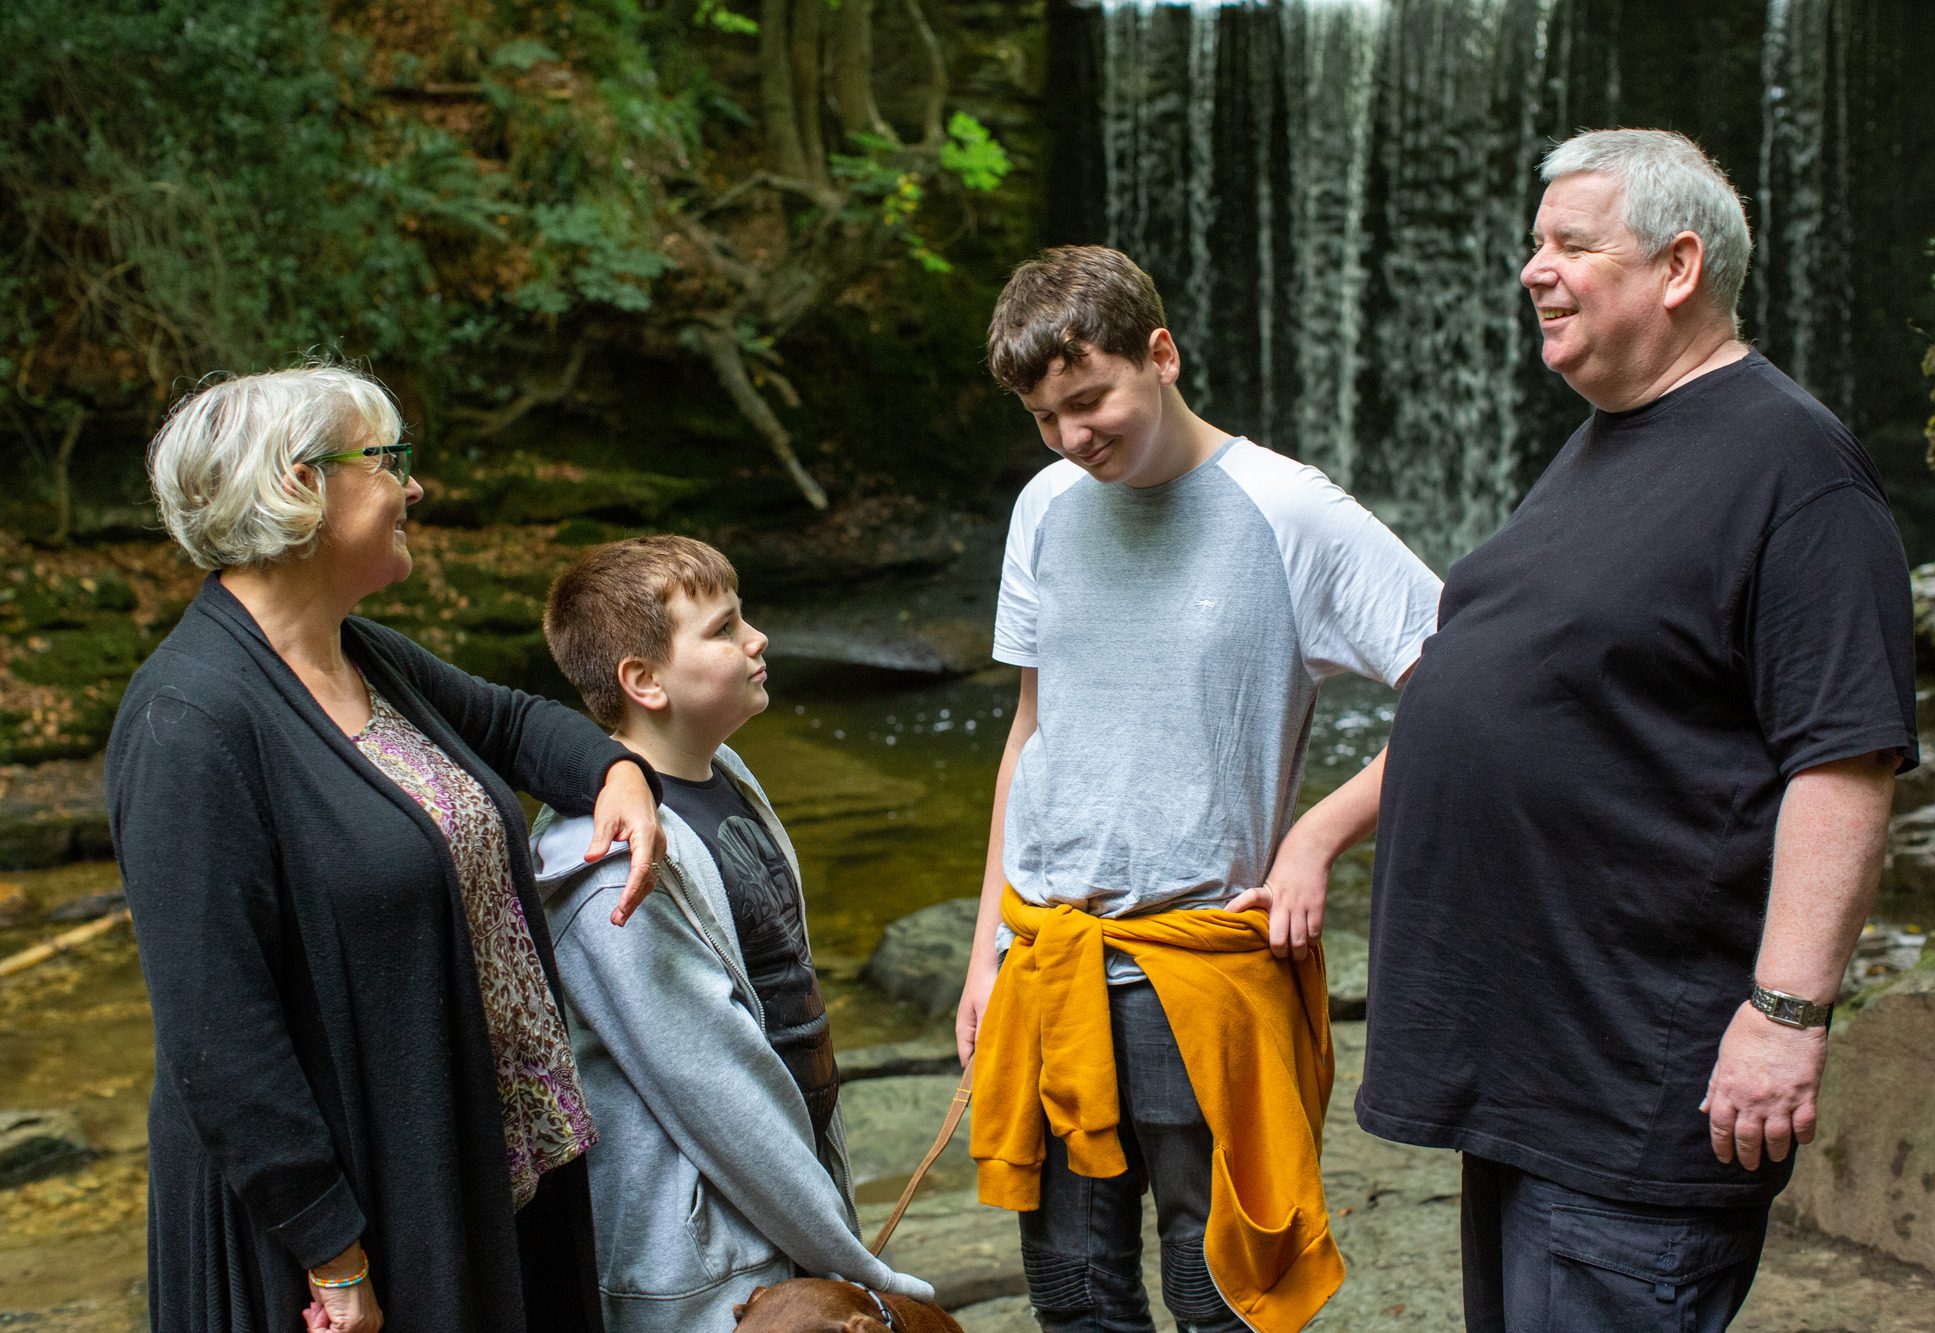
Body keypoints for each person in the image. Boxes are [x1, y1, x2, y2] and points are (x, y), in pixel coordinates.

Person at [1358, 129, 1918, 1332]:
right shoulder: (1604, 441)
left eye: (1569, 243)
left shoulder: (1794, 469)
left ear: (1675, 267)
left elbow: (1844, 762)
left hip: (1632, 1092)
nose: (1531, 268)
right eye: (1532, 242)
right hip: (1532, 1078)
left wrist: (1782, 1017)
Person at [105, 364, 665, 1333]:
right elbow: (219, 1040)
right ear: (297, 484)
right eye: (389, 459)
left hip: (472, 1168)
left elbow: (517, 723)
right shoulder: (186, 720)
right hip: (339, 1232)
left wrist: (617, 775)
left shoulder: (359, 652)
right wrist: (333, 1256)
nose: (415, 487)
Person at [957, 245, 1443, 1333]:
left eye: (1089, 400)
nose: (1073, 437)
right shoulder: (1043, 507)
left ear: (1161, 354)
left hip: (1200, 966)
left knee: (1217, 1291)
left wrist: (1317, 834)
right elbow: (1033, 726)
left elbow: (1463, 686)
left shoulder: (1289, 511)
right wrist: (986, 946)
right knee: (1074, 1291)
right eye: (1045, 417)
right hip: (1048, 962)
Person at [531, 534, 936, 1331]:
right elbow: (713, 1089)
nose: (756, 640)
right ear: (645, 681)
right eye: (722, 630)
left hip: (786, 1214)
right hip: (704, 1267)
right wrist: (861, 1271)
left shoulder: (726, 775)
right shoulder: (616, 866)